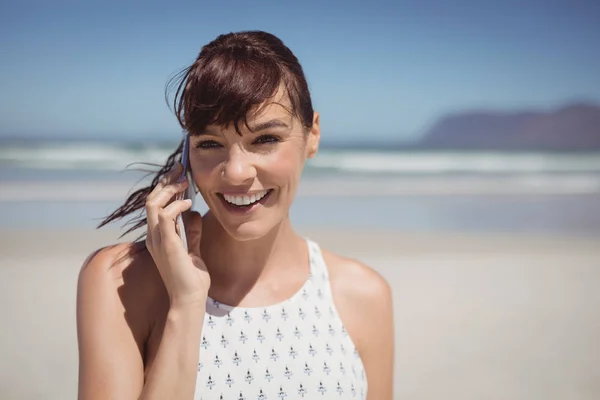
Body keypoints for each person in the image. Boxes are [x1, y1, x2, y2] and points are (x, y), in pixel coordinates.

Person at [76, 30, 394, 400]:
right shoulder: (122, 281)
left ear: (312, 135)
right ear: (186, 154)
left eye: (265, 139)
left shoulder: (362, 295)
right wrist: (187, 303)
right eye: (210, 144)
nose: (237, 172)